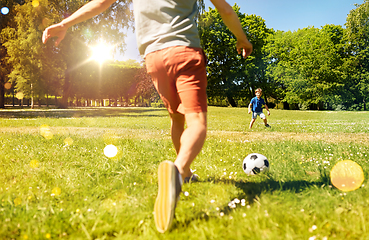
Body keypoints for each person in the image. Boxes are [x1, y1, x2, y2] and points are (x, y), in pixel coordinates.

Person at [42, 0, 253, 233]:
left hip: (153, 59)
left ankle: (188, 174)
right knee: (197, 123)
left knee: (176, 119)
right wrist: (242, 38)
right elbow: (224, 8)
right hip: (184, 51)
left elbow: (100, 3)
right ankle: (179, 171)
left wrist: (65, 23)